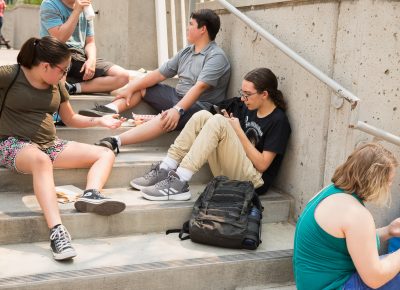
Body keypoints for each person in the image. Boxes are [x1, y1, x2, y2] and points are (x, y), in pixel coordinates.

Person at [0, 36, 126, 261]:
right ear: (45, 65)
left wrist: (100, 122)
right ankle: (58, 232)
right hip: (12, 143)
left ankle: (91, 194)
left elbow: (70, 118)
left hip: (50, 144)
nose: (65, 74)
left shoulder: (56, 83)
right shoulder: (10, 74)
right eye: (63, 69)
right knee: (41, 161)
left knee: (105, 153)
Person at [129, 67, 291, 200]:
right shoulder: (243, 106)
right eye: (242, 93)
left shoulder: (278, 121)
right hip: (230, 170)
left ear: (264, 94)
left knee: (218, 121)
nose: (243, 99)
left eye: (247, 95)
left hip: (253, 182)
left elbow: (263, 164)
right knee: (203, 116)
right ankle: (166, 167)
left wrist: (238, 132)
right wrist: (156, 118)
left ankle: (181, 180)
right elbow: (202, 111)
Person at [83, 9, 231, 153]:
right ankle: (109, 109)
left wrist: (177, 110)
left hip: (199, 108)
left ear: (202, 29)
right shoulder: (187, 51)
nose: (187, 27)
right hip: (177, 96)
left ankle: (116, 141)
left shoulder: (216, 57)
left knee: (167, 117)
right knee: (142, 85)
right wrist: (130, 87)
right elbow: (159, 74)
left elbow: (199, 88)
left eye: (191, 24)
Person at [293, 143, 400, 290]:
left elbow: (352, 241)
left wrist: (388, 231)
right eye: (388, 182)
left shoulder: (330, 193)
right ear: (375, 181)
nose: (389, 187)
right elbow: (375, 278)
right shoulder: (356, 214)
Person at [39, 0, 129, 94]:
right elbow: (60, 39)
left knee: (123, 77)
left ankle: (72, 87)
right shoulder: (49, 4)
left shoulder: (86, 7)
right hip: (57, 52)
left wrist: (91, 60)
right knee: (58, 78)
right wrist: (77, 11)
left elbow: (90, 42)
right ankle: (64, 85)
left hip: (79, 56)